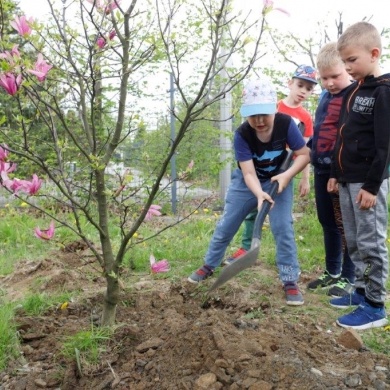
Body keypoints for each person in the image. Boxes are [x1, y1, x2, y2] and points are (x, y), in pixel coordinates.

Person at [187, 77, 311, 306]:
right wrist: (259, 193)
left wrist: (287, 175)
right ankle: (209, 264)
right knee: (227, 224)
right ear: (246, 114)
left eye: (264, 113)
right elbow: (249, 174)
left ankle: (289, 279)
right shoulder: (242, 134)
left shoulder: (286, 124)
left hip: (279, 181)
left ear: (274, 109)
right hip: (247, 184)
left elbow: (303, 155)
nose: (259, 120)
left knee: (283, 227)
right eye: (253, 115)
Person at [328, 21, 390, 329]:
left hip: (368, 184)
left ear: (374, 53)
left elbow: (385, 144)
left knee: (370, 242)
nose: (348, 67)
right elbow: (342, 135)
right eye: (345, 61)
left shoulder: (384, 91)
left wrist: (372, 185)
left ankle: (376, 306)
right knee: (353, 241)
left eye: (352, 60)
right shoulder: (355, 91)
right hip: (346, 180)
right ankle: (361, 293)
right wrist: (334, 173)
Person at [225, 65, 317, 264]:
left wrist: (304, 178)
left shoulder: (305, 117)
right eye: (300, 85)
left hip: (282, 172)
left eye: (309, 89)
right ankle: (246, 247)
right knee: (250, 211)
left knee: (281, 221)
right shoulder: (273, 107)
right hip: (257, 168)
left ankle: (285, 262)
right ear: (290, 83)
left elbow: (305, 152)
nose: (303, 91)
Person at [306, 42, 355, 297]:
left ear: (347, 69)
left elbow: (347, 138)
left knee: (345, 224)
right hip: (321, 167)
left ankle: (350, 277)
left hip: (342, 173)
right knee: (327, 221)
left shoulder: (353, 96)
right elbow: (321, 129)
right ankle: (332, 271)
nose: (329, 83)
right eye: (324, 78)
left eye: (335, 76)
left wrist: (337, 171)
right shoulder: (326, 96)